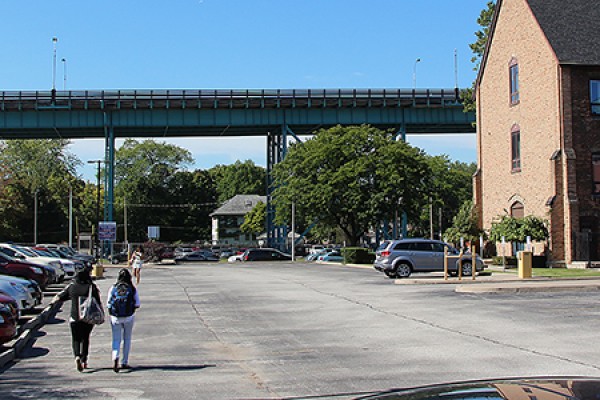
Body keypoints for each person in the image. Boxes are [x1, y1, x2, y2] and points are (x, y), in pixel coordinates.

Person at [54, 266, 102, 372]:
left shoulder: (72, 287)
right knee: (85, 338)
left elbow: (60, 297)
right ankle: (84, 360)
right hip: (87, 317)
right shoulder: (91, 287)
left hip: (75, 317)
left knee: (76, 339)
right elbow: (98, 302)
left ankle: (77, 356)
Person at [107, 268, 140, 372]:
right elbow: (137, 304)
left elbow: (108, 303)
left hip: (115, 317)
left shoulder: (113, 287)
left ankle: (115, 356)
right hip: (128, 316)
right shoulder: (132, 288)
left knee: (116, 339)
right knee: (127, 339)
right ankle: (124, 362)